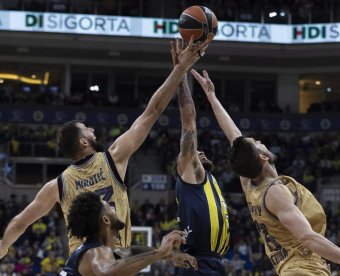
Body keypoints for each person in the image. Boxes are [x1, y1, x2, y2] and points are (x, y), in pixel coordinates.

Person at [0, 36, 209, 258]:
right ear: (83, 142)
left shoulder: (57, 186)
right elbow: (153, 110)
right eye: (86, 130)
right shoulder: (114, 158)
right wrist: (181, 68)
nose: (92, 130)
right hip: (114, 262)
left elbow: (19, 224)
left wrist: (3, 245)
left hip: (81, 266)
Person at [191, 69, 340, 276]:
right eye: (257, 143)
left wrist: (212, 96)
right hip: (303, 269)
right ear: (263, 157)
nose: (259, 141)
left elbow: (234, 137)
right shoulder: (274, 192)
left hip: (294, 267)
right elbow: (307, 237)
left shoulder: (248, 182)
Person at [171, 42, 229, 276]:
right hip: (200, 263)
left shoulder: (209, 179)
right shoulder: (189, 171)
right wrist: (181, 70)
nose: (200, 152)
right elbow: (189, 119)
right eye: (195, 151)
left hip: (214, 262)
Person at [60, 192, 197, 275]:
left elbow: (130, 251)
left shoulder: (95, 250)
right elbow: (107, 272)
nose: (114, 207)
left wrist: (170, 256)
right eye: (110, 206)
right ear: (106, 220)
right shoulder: (94, 252)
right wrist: (159, 252)